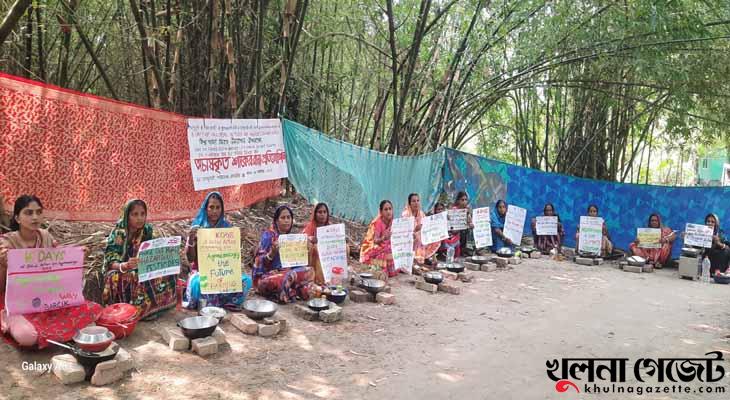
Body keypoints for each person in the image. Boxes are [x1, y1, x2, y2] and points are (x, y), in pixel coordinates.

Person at [0, 195, 101, 348]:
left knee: (89, 316)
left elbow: (58, 257)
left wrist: (77, 254)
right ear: (17, 218)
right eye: (28, 213)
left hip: (46, 297)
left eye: (39, 212)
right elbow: (7, 266)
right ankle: (7, 318)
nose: (35, 217)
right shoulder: (6, 241)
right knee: (27, 337)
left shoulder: (45, 236)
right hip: (17, 302)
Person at [103, 199, 176, 320]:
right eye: (135, 214)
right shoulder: (119, 232)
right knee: (133, 275)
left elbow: (149, 250)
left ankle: (154, 308)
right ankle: (134, 312)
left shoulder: (147, 230)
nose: (139, 218)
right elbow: (110, 261)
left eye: (143, 214)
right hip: (119, 269)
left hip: (140, 266)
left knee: (168, 270)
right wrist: (124, 265)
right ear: (127, 215)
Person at [183, 192, 252, 310]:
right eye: (211, 207)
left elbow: (232, 258)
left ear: (222, 209)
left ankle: (227, 302)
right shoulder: (198, 228)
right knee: (197, 284)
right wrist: (191, 240)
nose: (214, 211)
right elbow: (190, 259)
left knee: (246, 280)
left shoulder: (227, 228)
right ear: (206, 208)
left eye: (218, 207)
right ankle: (210, 302)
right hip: (202, 273)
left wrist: (238, 241)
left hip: (223, 272)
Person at [253, 205, 317, 303]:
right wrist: (271, 254)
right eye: (283, 218)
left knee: (309, 271)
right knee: (279, 279)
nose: (286, 220)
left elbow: (298, 265)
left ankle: (288, 289)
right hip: (270, 276)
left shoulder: (292, 239)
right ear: (276, 221)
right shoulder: (268, 236)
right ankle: (290, 291)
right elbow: (258, 265)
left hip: (288, 274)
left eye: (289, 217)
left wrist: (306, 252)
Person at [360, 200, 397, 277]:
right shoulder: (378, 222)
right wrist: (383, 238)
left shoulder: (394, 222)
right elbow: (375, 241)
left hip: (387, 247)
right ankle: (376, 264)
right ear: (381, 211)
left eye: (390, 209)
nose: (388, 211)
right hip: (374, 247)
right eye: (386, 209)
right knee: (387, 253)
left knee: (395, 252)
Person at [402, 193, 440, 265]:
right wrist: (416, 230)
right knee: (419, 235)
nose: (416, 203)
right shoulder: (405, 215)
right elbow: (405, 233)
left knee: (435, 235)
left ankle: (429, 257)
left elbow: (426, 227)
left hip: (420, 237)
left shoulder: (421, 213)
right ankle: (417, 259)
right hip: (409, 240)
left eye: (418, 200)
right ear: (409, 203)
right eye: (413, 201)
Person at [303, 202, 331, 285]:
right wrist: (310, 238)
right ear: (315, 214)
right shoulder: (310, 227)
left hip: (329, 255)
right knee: (314, 247)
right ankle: (316, 279)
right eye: (320, 212)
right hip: (315, 259)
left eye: (324, 212)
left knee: (346, 247)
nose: (322, 215)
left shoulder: (331, 228)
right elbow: (303, 239)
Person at [451, 191, 474, 256]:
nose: (464, 202)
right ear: (458, 201)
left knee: (470, 229)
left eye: (466, 200)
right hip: (454, 231)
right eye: (462, 200)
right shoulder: (454, 210)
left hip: (463, 229)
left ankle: (467, 249)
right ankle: (461, 249)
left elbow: (469, 222)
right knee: (463, 230)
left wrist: (468, 214)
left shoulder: (467, 210)